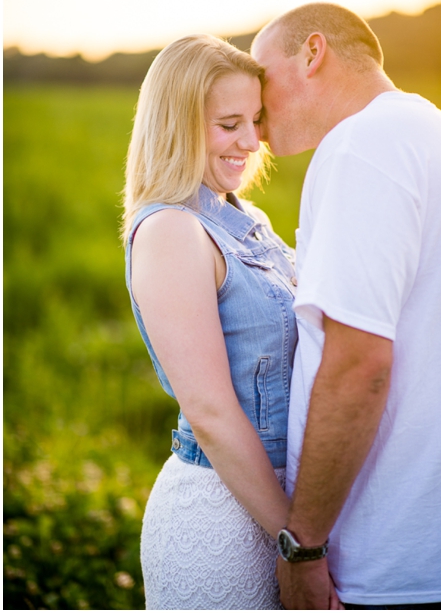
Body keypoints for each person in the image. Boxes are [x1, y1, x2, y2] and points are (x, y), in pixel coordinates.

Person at [250, 3, 441, 609]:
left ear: (313, 53)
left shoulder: (360, 146)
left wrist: (303, 547)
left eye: (261, 80)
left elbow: (358, 363)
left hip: (382, 558)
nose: (255, 122)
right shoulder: (432, 130)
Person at [122, 34, 298, 609]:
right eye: (229, 124)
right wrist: (299, 544)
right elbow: (211, 412)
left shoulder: (244, 217)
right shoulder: (172, 231)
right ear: (177, 125)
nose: (251, 141)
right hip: (221, 520)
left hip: (278, 507)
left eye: (256, 119)